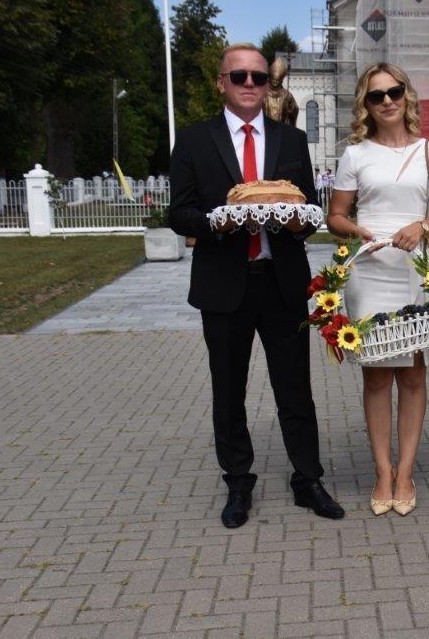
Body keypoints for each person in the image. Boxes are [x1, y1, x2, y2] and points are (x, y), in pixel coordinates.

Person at [169, 42, 344, 528]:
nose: (250, 84)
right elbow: (178, 212)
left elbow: (307, 209)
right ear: (221, 83)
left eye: (259, 77)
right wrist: (216, 223)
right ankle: (238, 482)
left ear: (269, 86)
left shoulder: (291, 140)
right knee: (229, 391)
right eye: (240, 76)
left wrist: (298, 224)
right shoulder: (195, 140)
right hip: (224, 285)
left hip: (281, 282)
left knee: (296, 389)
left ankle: (307, 479)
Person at [326, 62, 429, 516]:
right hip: (370, 270)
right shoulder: (355, 154)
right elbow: (335, 216)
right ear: (365, 103)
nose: (386, 101)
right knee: (378, 374)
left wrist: (422, 226)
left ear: (406, 95)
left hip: (416, 270)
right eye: (376, 95)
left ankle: (407, 472)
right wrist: (356, 230)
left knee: (414, 374)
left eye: (394, 92)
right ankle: (383, 470)